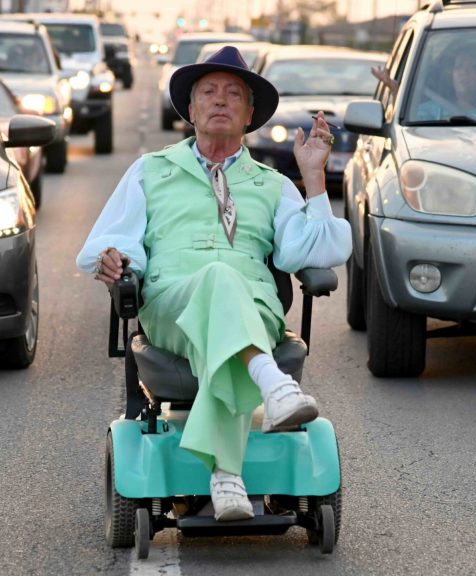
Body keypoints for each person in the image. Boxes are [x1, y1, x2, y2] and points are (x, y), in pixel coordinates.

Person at [77, 46, 351, 522]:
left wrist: (313, 179)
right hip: (171, 307)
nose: (220, 101)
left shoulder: (272, 183)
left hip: (254, 309)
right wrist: (113, 260)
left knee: (226, 283)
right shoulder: (150, 170)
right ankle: (271, 383)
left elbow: (316, 252)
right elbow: (107, 243)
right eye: (209, 92)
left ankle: (226, 475)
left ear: (249, 115)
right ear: (191, 110)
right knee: (218, 277)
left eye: (233, 95)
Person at [413, 45, 476, 122]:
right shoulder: (428, 112)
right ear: (450, 75)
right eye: (458, 66)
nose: (464, 72)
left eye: (473, 67)